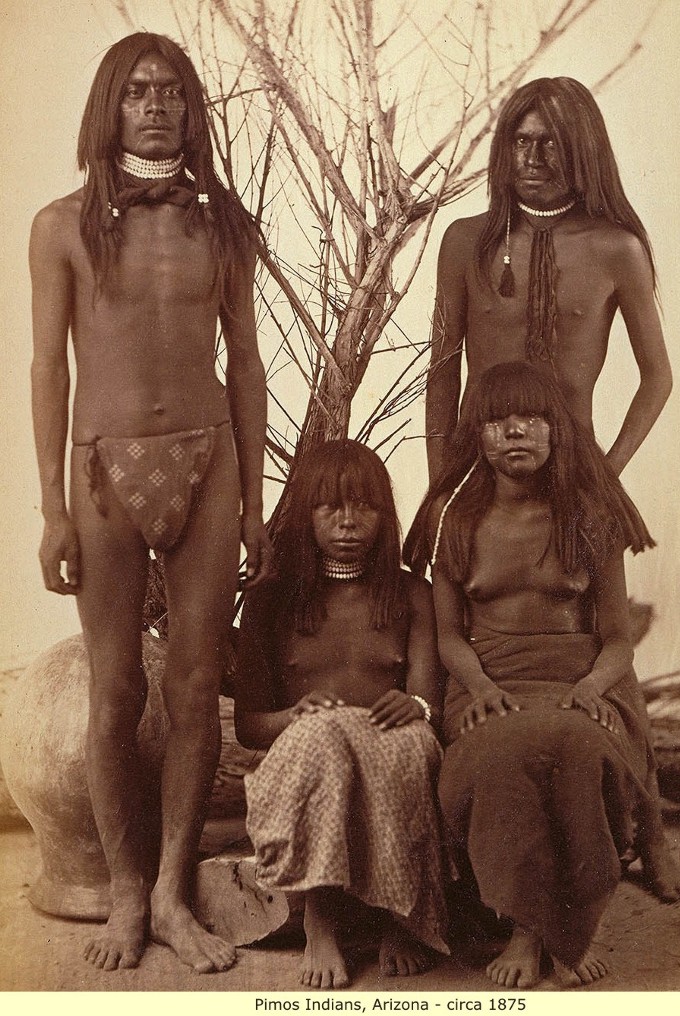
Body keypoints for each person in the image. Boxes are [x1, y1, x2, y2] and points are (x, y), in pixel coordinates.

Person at [29, 33, 273, 973]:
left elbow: (246, 364)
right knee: (116, 687)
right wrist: (51, 509)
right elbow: (49, 369)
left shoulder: (224, 225)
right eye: (138, 92)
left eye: (172, 92)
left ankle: (171, 890)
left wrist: (254, 505)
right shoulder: (61, 226)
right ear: (110, 107)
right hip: (103, 470)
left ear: (191, 109)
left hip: (209, 461)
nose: (157, 106)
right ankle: (127, 890)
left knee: (194, 685)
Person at [405, 361, 680, 989]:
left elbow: (617, 639)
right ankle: (530, 924)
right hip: (489, 681)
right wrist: (480, 688)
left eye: (532, 419)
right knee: (498, 755)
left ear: (556, 430)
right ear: (476, 437)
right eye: (498, 421)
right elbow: (449, 636)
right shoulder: (453, 519)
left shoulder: (588, 515)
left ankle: (547, 930)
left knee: (575, 744)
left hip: (581, 677)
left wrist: (591, 686)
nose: (516, 432)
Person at [232, 440, 450, 989]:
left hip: (388, 742)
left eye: (365, 506)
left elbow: (429, 703)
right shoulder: (271, 598)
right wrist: (294, 716)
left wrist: (416, 705)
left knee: (412, 741)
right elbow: (249, 726)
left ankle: (400, 916)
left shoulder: (412, 593)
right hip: (305, 755)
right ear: (305, 515)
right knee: (325, 735)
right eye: (329, 507)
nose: (348, 521)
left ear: (386, 515)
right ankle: (320, 918)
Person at [425, 76, 672, 483]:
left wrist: (607, 477)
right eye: (522, 141)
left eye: (551, 143)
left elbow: (658, 377)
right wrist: (440, 484)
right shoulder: (465, 240)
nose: (533, 158)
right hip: (478, 467)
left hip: (573, 468)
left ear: (583, 149)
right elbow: (442, 373)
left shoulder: (617, 248)